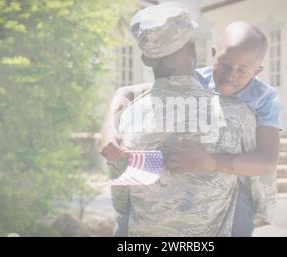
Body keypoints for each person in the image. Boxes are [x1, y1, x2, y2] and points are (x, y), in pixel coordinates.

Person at [107, 2, 259, 236]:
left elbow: (121, 203)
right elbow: (257, 196)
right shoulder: (238, 115)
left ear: (146, 60)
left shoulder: (127, 117)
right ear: (192, 50)